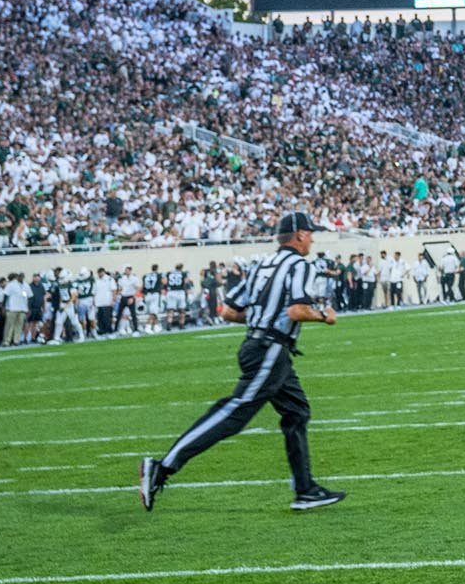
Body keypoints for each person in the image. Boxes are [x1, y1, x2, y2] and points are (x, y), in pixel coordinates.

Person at [139, 210, 344, 513]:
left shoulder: (261, 264)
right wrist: (324, 316)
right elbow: (297, 311)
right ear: (300, 235)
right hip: (270, 349)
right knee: (235, 411)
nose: (312, 240)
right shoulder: (300, 265)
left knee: (297, 412)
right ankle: (163, 466)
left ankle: (305, 490)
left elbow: (228, 311)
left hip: (261, 345)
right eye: (310, 234)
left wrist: (262, 318)